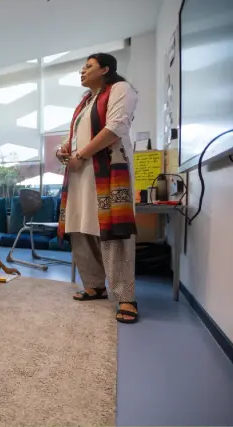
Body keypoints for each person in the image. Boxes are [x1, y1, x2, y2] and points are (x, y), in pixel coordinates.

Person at [56, 53, 139, 324]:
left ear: (105, 69)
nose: (82, 71)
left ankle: (126, 297)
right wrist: (65, 150)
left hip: (108, 172)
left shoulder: (120, 89)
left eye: (88, 66)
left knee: (113, 232)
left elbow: (115, 127)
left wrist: (81, 155)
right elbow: (75, 138)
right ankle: (94, 285)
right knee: (80, 228)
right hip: (79, 175)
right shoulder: (85, 102)